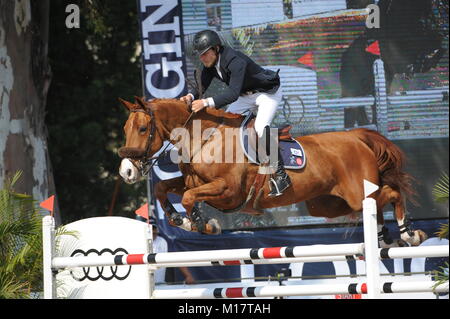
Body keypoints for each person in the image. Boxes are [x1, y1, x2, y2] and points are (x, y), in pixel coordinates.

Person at [180, 29, 291, 197]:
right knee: (223, 124)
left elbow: (232, 94)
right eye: (200, 55)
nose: (202, 58)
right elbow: (201, 85)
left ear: (216, 49)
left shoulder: (235, 60)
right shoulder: (211, 63)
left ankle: (282, 175)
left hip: (266, 94)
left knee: (260, 128)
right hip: (246, 97)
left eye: (205, 54)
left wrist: (205, 102)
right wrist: (190, 96)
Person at [144, 216, 196, 285]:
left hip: (160, 284)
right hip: (142, 285)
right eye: (149, 229)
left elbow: (176, 258)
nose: (152, 231)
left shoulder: (163, 241)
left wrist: (188, 275)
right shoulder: (137, 242)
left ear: (157, 229)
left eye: (154, 228)